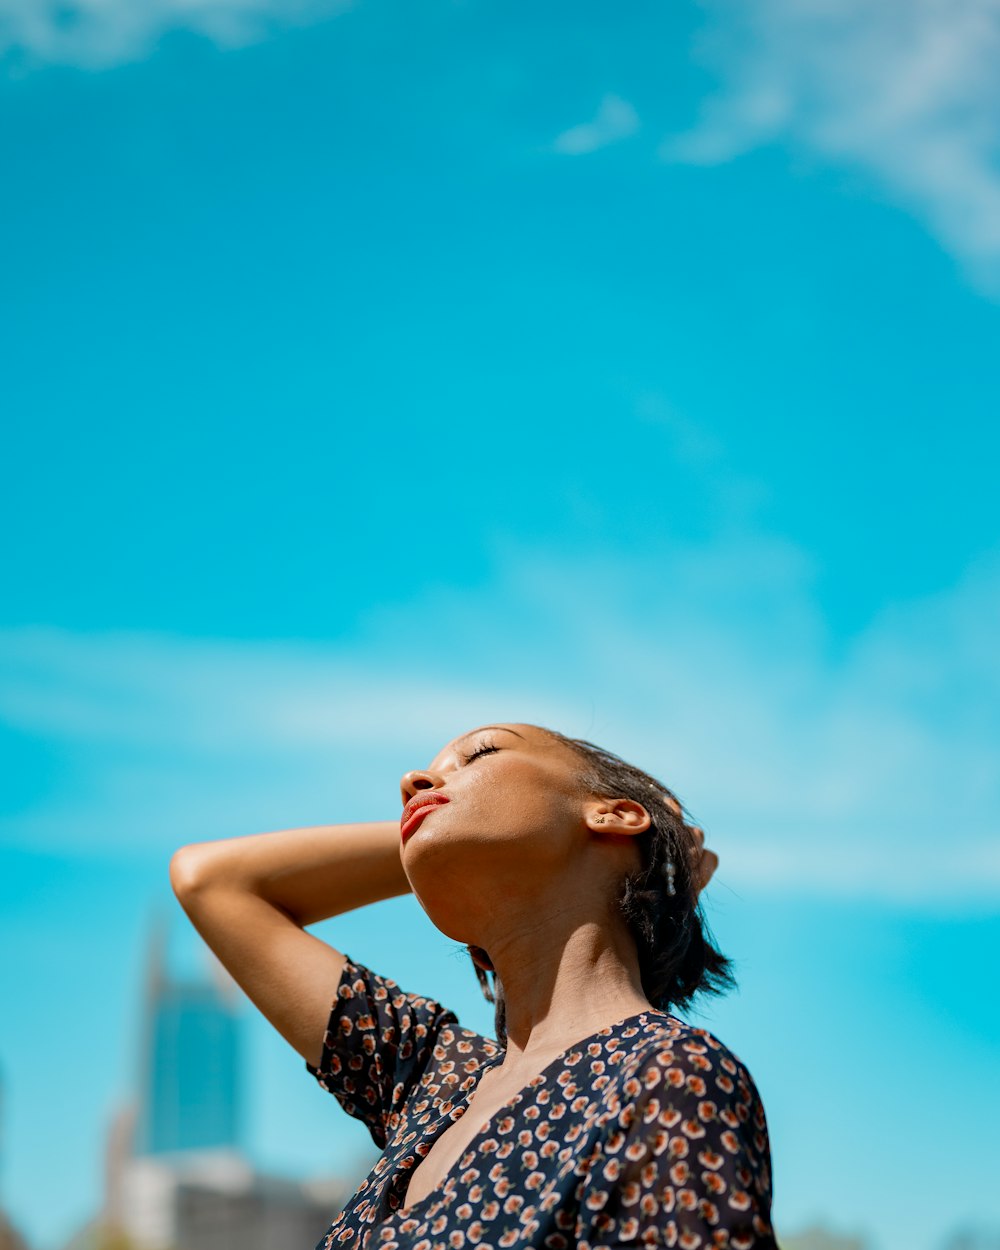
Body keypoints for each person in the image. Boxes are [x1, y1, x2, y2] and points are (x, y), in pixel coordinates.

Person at [170, 722, 776, 1250]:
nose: (413, 779)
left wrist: (652, 850)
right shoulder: (433, 1085)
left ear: (615, 814)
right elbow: (211, 881)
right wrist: (426, 831)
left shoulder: (667, 1077)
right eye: (424, 775)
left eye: (480, 753)